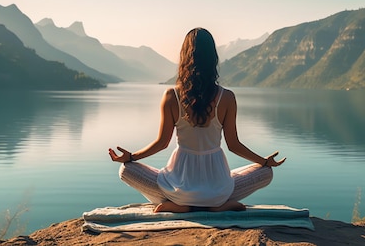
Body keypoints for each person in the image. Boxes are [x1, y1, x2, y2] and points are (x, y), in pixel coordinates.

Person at [108, 27, 285, 213]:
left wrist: (132, 157)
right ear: (213, 59)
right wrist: (263, 161)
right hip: (218, 190)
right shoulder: (227, 97)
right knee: (265, 173)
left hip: (177, 188)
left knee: (126, 170)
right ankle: (217, 205)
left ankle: (182, 205)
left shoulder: (171, 96)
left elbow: (161, 143)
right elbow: (234, 145)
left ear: (184, 57)